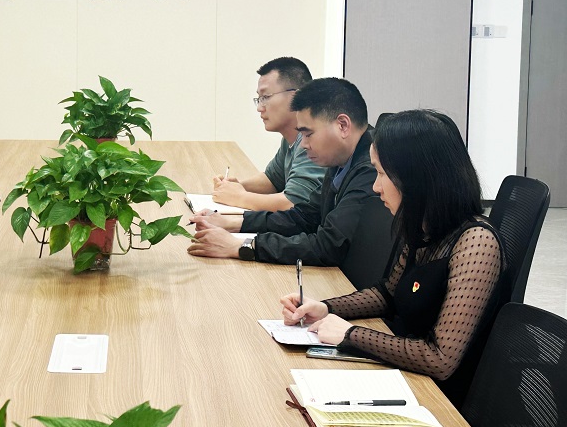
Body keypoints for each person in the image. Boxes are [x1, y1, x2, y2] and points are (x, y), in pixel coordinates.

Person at [279, 110, 504, 403]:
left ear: (416, 178)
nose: (375, 187)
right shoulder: (424, 225)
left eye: (382, 174)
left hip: (439, 400)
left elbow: (440, 359)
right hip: (405, 375)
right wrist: (325, 308)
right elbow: (388, 294)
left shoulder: (476, 242)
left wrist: (351, 335)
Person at [188, 77, 378, 265]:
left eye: (308, 134)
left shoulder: (371, 170)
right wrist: (234, 223)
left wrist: (243, 246)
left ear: (343, 125)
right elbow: (304, 217)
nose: (303, 144)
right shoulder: (342, 158)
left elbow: (327, 246)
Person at [211, 57, 323, 212]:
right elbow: (273, 180)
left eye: (265, 97)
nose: (259, 108)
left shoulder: (312, 140)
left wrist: (239, 197)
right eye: (259, 99)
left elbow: (294, 203)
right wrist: (237, 186)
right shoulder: (290, 139)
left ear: (296, 97)